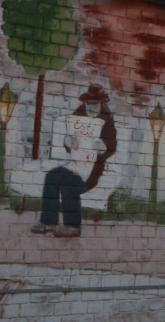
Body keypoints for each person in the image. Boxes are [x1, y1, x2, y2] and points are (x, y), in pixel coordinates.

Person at [32, 86, 117, 238]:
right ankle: (48, 221)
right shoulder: (78, 114)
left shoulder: (106, 119)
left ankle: (72, 226)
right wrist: (68, 141)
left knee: (68, 183)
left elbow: (112, 145)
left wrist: (103, 147)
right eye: (88, 104)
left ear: (101, 104)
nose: (91, 108)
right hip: (75, 164)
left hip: (92, 171)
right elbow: (70, 136)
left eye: (95, 105)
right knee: (52, 176)